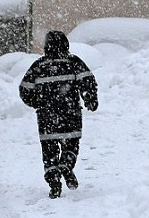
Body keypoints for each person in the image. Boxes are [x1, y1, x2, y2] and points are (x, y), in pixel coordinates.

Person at [19, 30, 98, 199]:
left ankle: (54, 181)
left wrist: (37, 102)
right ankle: (66, 165)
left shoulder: (39, 66)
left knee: (49, 152)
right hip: (70, 115)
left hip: (47, 118)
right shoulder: (73, 62)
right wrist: (90, 99)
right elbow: (88, 81)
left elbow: (24, 88)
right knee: (71, 145)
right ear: (66, 44)